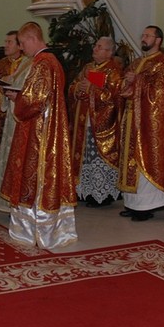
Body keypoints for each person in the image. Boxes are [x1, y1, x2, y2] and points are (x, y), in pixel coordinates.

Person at [0, 21, 77, 248]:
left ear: (33, 39)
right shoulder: (52, 62)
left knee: (36, 175)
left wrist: (17, 99)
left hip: (39, 133)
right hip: (47, 127)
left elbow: (34, 101)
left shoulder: (43, 63)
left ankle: (35, 229)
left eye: (23, 43)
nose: (22, 48)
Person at [117, 25, 164, 221]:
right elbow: (123, 87)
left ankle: (146, 206)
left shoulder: (163, 63)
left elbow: (160, 92)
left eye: (148, 35)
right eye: (143, 35)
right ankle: (132, 203)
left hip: (148, 121)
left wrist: (138, 81)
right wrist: (127, 81)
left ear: (158, 40)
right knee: (130, 161)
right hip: (131, 117)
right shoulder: (137, 62)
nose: (144, 38)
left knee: (144, 160)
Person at [68, 36, 124, 207]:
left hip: (101, 124)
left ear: (109, 52)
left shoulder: (113, 71)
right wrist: (78, 89)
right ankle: (83, 191)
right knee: (85, 158)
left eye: (99, 47)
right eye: (96, 46)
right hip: (83, 120)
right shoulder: (88, 68)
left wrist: (92, 89)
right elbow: (73, 86)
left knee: (97, 158)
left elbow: (115, 97)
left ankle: (101, 194)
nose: (95, 49)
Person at [0, 31, 23, 167]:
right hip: (4, 113)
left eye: (9, 42)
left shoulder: (26, 63)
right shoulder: (1, 64)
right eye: (5, 42)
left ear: (19, 45)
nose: (5, 45)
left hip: (20, 113)